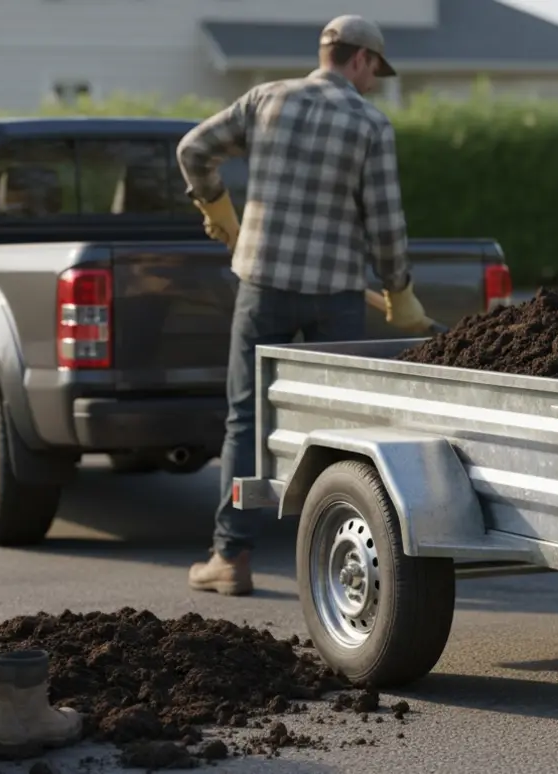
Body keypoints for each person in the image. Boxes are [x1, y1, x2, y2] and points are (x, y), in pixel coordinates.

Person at [175, 14, 428, 596]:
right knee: (334, 424)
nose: (373, 83)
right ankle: (328, 551)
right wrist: (399, 290)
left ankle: (230, 557)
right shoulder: (369, 123)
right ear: (360, 59)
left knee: (246, 419)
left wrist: (216, 206)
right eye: (374, 72)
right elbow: (385, 224)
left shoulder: (266, 100)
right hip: (336, 295)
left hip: (262, 284)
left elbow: (194, 149)